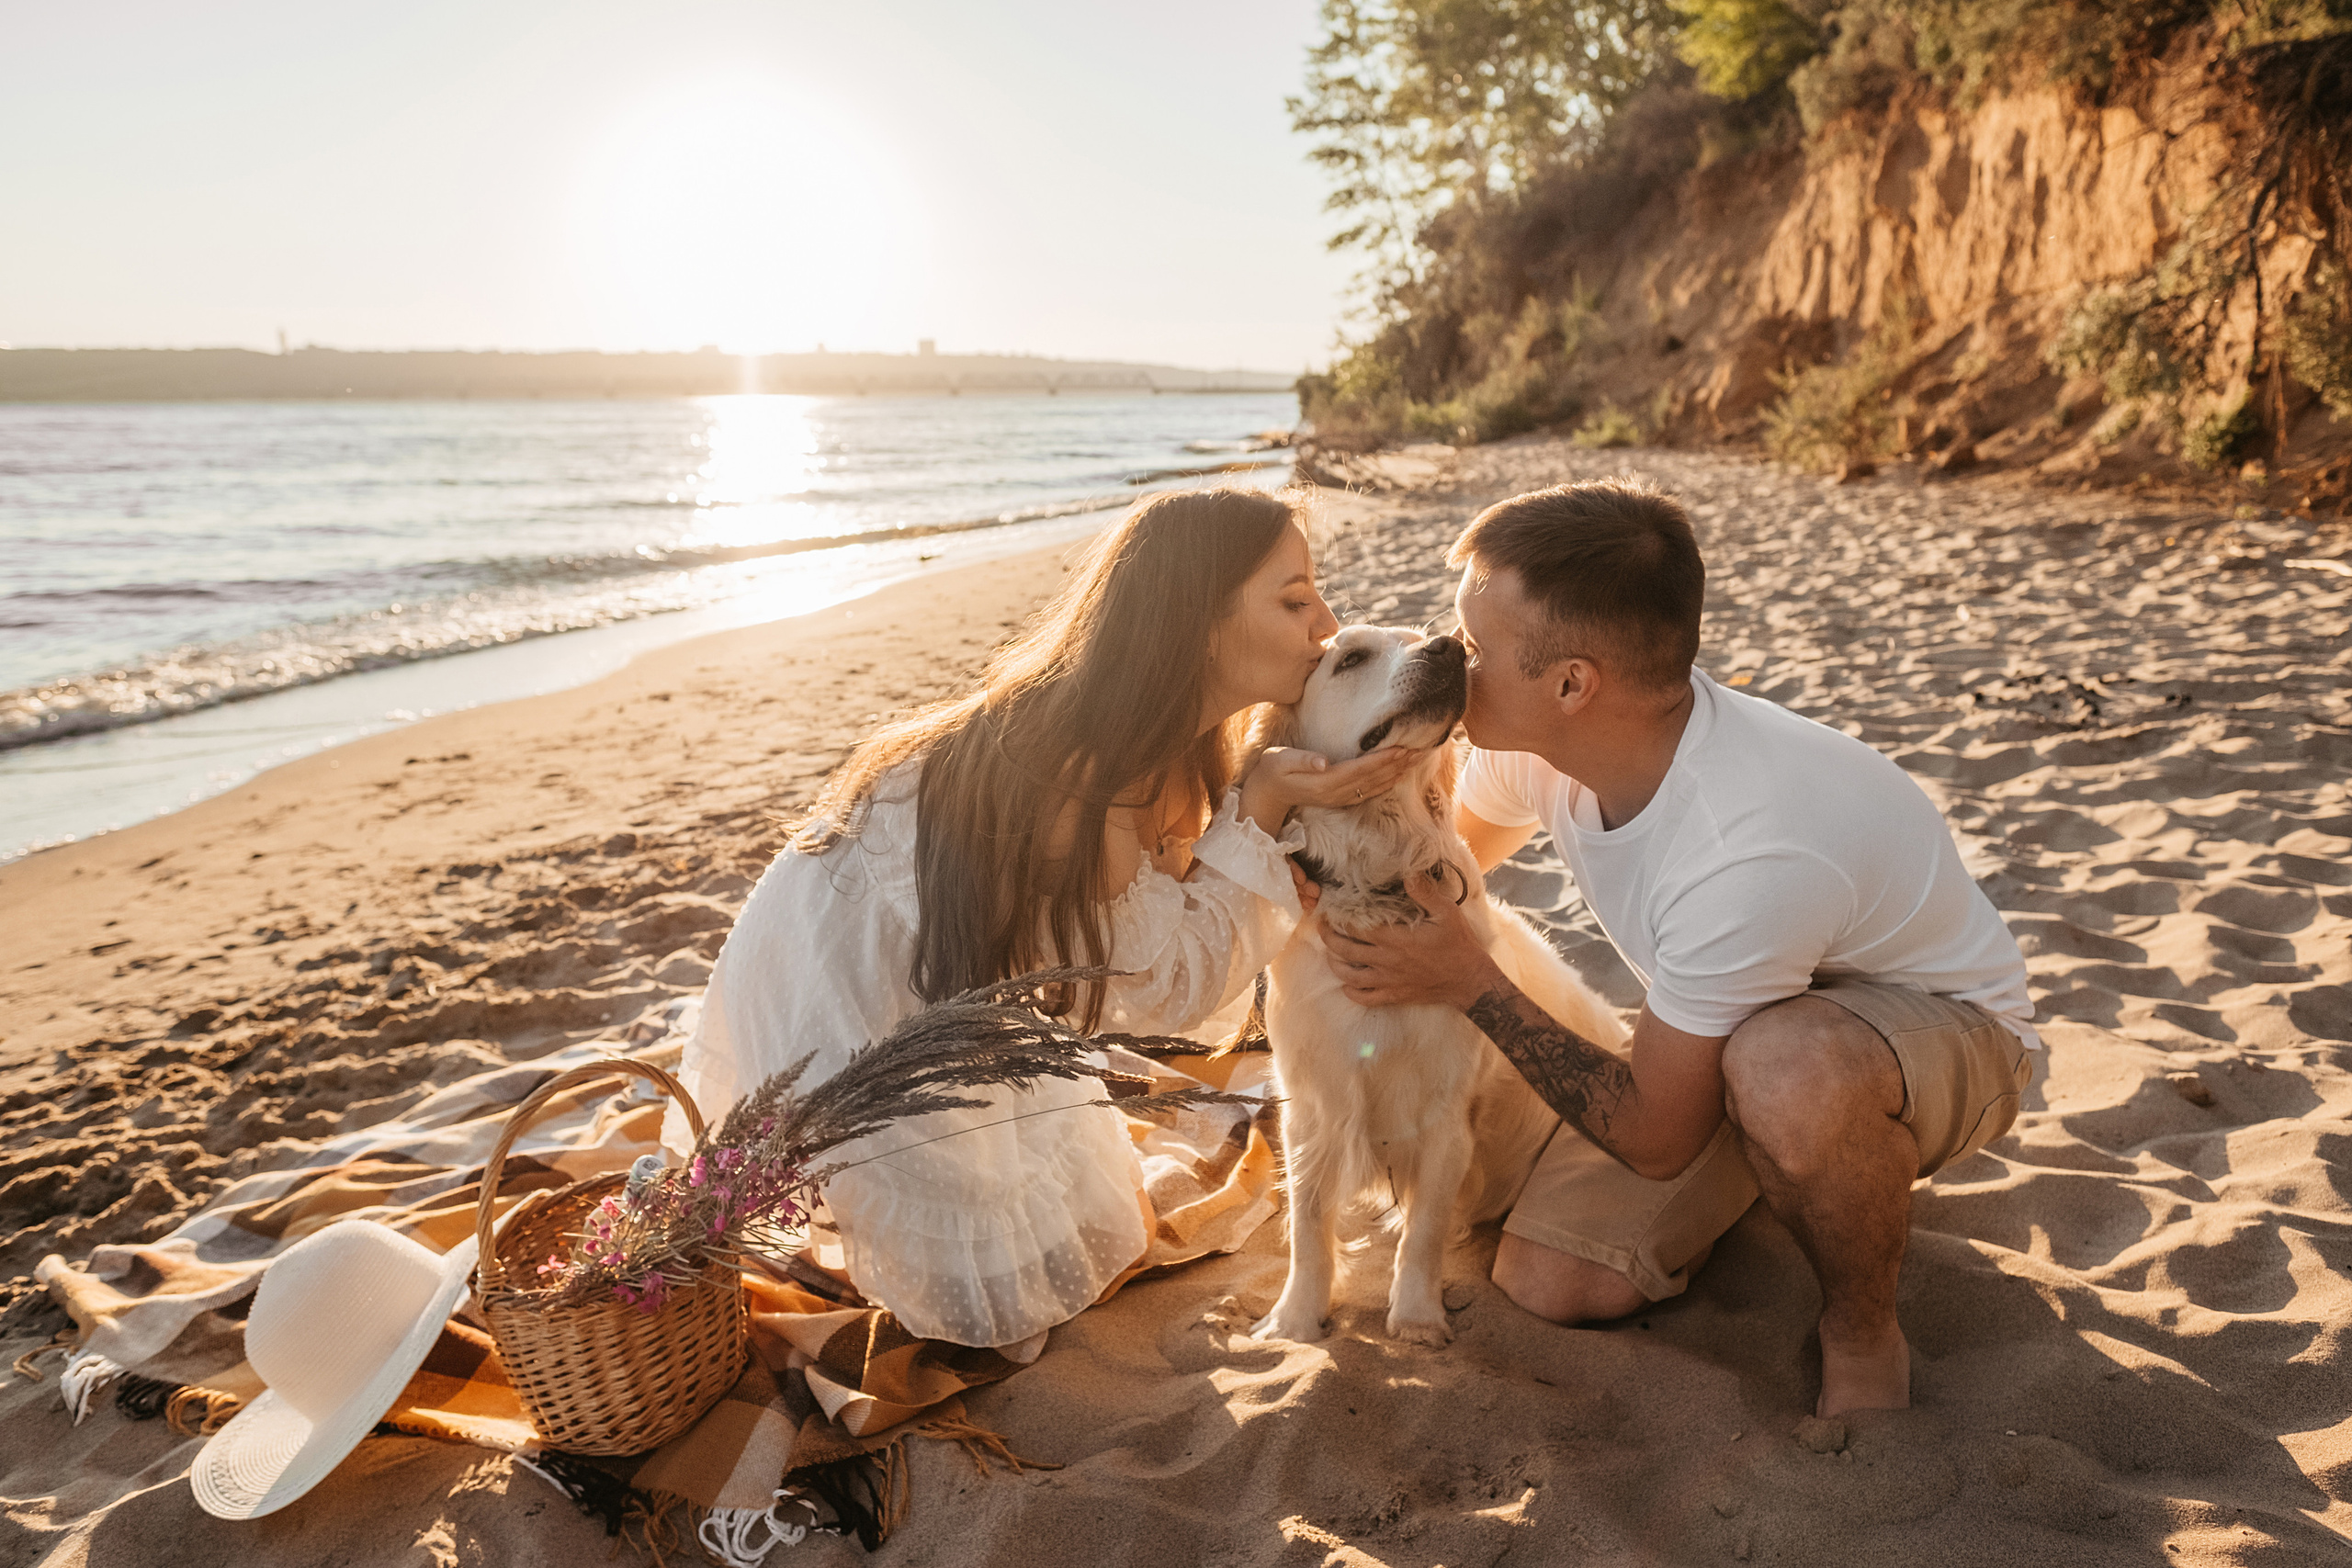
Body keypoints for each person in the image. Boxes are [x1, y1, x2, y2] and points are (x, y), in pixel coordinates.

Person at [1322, 477, 2037, 1416]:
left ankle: (1860, 1330)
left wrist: (1469, 980)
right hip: (1738, 1022)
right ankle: (1781, 1161)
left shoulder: (1746, 845)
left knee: (1785, 1070)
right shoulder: (1530, 746)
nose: (1447, 659)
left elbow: (1654, 1141)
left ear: (1572, 683)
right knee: (1552, 1279)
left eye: (1472, 647)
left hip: (1938, 1036)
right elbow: (1438, 872)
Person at [670, 487, 1416, 1350]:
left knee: (1095, 1223)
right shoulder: (1082, 771)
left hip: (949, 990)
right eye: (1293, 600)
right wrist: (1265, 802)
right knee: (992, 1303)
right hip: (840, 997)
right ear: (1197, 620)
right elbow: (1158, 989)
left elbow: (1156, 919)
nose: (1326, 621)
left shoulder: (1171, 737)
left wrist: (1265, 830)